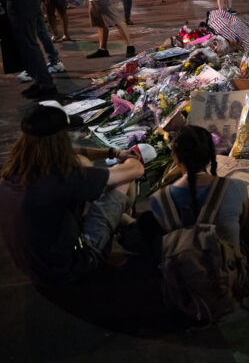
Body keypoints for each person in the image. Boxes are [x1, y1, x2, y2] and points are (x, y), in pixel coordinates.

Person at [0, 105, 145, 284]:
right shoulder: (63, 177)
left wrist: (113, 152)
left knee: (87, 176)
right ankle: (130, 232)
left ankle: (125, 221)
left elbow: (76, 152)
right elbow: (135, 170)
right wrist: (131, 159)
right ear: (61, 140)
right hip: (70, 268)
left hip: (32, 265)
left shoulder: (16, 170)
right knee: (122, 180)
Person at [148, 125, 249, 270]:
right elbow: (241, 223)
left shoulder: (159, 199)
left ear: (175, 157)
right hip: (228, 273)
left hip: (184, 276)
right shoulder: (235, 187)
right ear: (210, 155)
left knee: (148, 222)